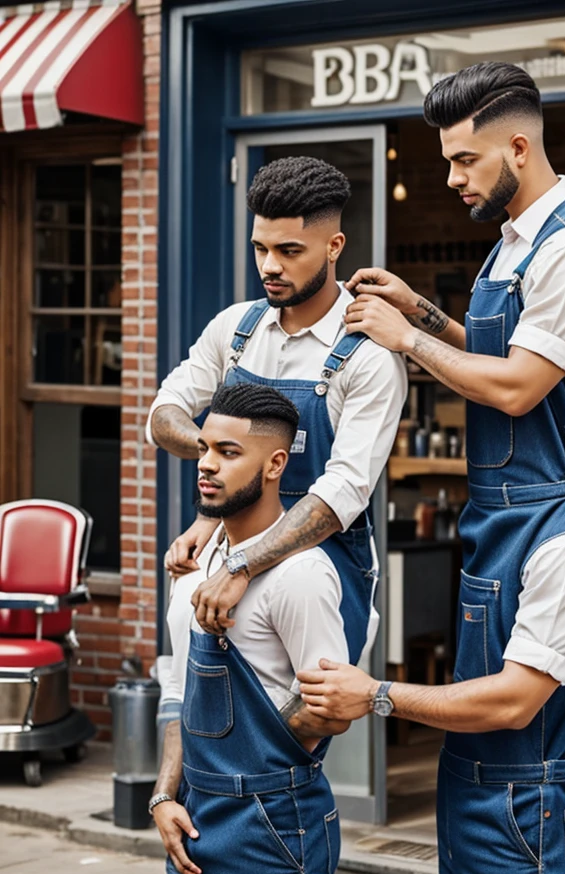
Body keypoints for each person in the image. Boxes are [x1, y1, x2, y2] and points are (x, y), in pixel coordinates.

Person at [298, 63, 565, 874]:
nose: (449, 176)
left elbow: (521, 386)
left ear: (518, 147)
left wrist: (405, 343)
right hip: (471, 788)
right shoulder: (512, 248)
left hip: (520, 809)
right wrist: (425, 312)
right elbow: (490, 354)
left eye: (462, 158)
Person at [146, 155, 406, 668]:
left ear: (334, 248)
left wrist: (242, 563)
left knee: (296, 729)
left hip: (320, 568)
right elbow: (164, 411)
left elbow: (341, 495)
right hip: (226, 553)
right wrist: (222, 463)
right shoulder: (235, 330)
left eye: (289, 251)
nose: (269, 266)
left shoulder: (370, 355)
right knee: (192, 710)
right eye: (260, 248)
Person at [151, 383, 351, 874]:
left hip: (273, 825)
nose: (206, 462)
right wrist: (164, 796)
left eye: (228, 452)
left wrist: (251, 773)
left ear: (274, 464)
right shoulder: (196, 561)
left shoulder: (301, 575)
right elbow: (180, 689)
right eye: (204, 447)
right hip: (192, 820)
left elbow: (331, 707)